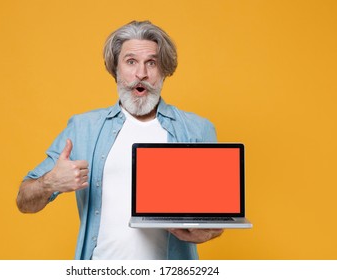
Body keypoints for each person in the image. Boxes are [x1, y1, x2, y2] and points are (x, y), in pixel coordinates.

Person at [16, 20, 223, 260]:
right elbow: (24, 201)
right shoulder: (84, 128)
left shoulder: (197, 130)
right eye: (131, 61)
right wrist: (50, 182)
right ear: (116, 69)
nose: (141, 74)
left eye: (152, 63)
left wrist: (207, 233)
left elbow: (215, 218)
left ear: (164, 70)